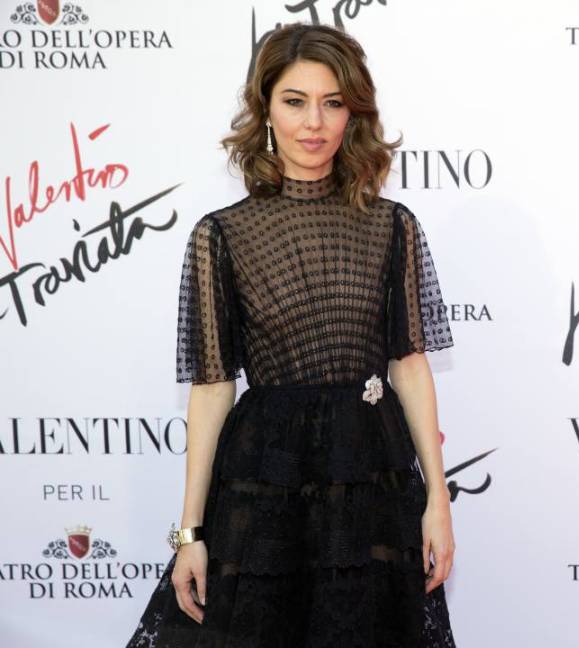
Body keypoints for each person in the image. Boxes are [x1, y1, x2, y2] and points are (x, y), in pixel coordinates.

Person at [124, 22, 458, 647]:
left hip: (369, 472)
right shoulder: (222, 234)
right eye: (295, 101)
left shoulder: (392, 226)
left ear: (353, 115)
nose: (314, 123)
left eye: (333, 103)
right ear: (266, 110)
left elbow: (409, 365)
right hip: (267, 475)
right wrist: (190, 533)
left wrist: (436, 500)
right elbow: (212, 388)